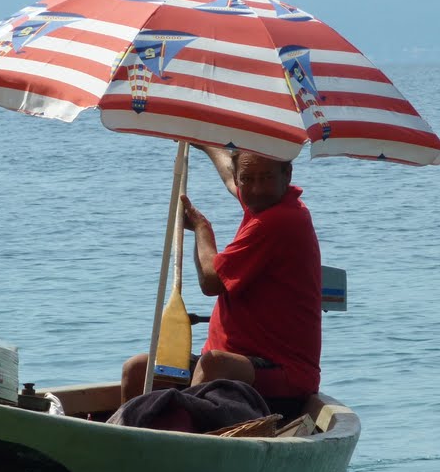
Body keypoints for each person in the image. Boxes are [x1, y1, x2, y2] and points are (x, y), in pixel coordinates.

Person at [121, 145, 322, 418]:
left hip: (280, 373)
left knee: (214, 364)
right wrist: (204, 140)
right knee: (136, 369)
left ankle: (185, 438)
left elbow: (211, 282)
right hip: (232, 365)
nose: (256, 188)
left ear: (287, 174)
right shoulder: (263, 201)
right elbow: (231, 174)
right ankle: (130, 440)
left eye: (266, 178)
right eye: (247, 179)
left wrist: (202, 229)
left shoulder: (280, 220)